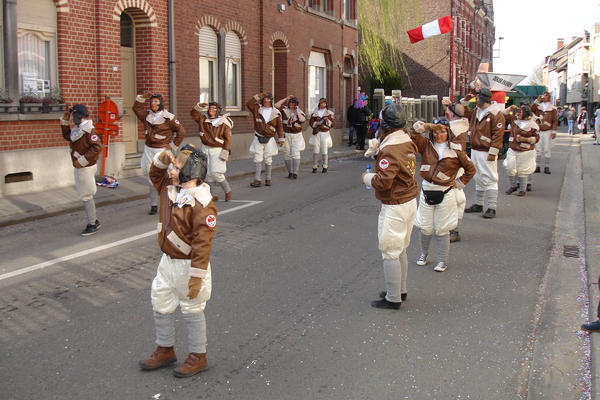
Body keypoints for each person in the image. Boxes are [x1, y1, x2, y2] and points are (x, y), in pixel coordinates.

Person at [139, 144, 217, 378]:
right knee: (160, 301)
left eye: (176, 167)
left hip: (188, 264)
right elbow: (155, 173)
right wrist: (162, 159)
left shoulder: (203, 206)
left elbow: (202, 246)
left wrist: (196, 279)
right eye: (172, 167)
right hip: (167, 262)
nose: (171, 171)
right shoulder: (168, 189)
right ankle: (165, 348)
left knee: (193, 308)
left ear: (191, 171)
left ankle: (198, 355)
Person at [362, 103, 419, 309]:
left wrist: (367, 178)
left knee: (390, 250)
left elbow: (384, 181)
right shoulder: (407, 142)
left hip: (395, 203)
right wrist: (378, 151)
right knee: (400, 248)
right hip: (409, 200)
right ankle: (400, 290)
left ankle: (393, 298)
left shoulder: (390, 148)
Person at [410, 118, 476, 272]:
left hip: (445, 192)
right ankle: (423, 254)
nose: (439, 135)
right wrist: (427, 126)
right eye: (436, 131)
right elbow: (414, 133)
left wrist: (458, 183)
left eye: (442, 131)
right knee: (424, 227)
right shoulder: (426, 144)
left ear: (448, 132)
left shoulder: (456, 150)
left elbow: (471, 169)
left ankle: (442, 260)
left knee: (442, 229)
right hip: (427, 189)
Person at [133, 92, 186, 215]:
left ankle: (171, 201)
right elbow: (136, 108)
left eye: (156, 101)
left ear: (161, 103)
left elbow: (181, 132)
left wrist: (172, 146)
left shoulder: (169, 118)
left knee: (166, 176)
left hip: (161, 150)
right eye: (151, 101)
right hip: (148, 148)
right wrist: (141, 98)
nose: (153, 104)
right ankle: (153, 205)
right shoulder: (146, 115)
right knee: (150, 175)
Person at [461, 87, 506, 219]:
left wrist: (493, 152)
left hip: (486, 151)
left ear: (483, 98)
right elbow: (464, 114)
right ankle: (478, 203)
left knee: (490, 177)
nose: (475, 101)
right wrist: (465, 101)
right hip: (476, 149)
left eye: (477, 98)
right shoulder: (477, 111)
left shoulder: (496, 114)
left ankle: (492, 207)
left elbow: (498, 135)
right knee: (478, 177)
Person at [60, 104, 102, 236]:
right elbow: (68, 136)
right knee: (85, 193)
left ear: (78, 116)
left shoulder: (89, 130)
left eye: (73, 116)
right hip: (80, 165)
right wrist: (65, 121)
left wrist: (82, 161)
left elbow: (97, 147)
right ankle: (93, 220)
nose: (73, 119)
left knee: (86, 194)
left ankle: (92, 223)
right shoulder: (80, 129)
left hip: (85, 166)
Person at [190, 101, 233, 201]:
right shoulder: (203, 119)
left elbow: (228, 139)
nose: (211, 110)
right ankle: (214, 194)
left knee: (216, 172)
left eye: (214, 108)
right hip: (205, 147)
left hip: (218, 149)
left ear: (218, 110)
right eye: (210, 108)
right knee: (208, 173)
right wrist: (198, 107)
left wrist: (225, 152)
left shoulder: (223, 122)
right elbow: (193, 114)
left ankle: (227, 190)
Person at [441, 100, 471, 242]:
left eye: (448, 111)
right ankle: (449, 227)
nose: (445, 112)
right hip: (450, 166)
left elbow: (456, 151)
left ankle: (454, 230)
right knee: (451, 197)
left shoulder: (456, 129)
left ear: (452, 114)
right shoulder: (457, 125)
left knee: (457, 198)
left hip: (452, 167)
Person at [246, 93, 284, 187]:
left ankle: (268, 178)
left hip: (270, 137)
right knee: (257, 157)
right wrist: (258, 96)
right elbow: (248, 104)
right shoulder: (257, 109)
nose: (266, 101)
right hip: (258, 136)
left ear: (271, 100)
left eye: (268, 99)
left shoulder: (276, 112)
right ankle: (257, 179)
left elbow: (279, 126)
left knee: (268, 157)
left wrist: (281, 138)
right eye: (265, 99)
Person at [502, 104, 540, 196]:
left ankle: (523, 189)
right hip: (513, 149)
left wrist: (525, 140)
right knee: (510, 167)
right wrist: (510, 108)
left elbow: (536, 139)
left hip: (526, 150)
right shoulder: (514, 120)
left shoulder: (533, 125)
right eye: (518, 111)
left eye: (521, 112)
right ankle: (513, 186)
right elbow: (503, 114)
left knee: (523, 170)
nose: (518, 113)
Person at [275, 95, 307, 178]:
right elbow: (276, 105)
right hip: (286, 134)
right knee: (287, 153)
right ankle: (290, 172)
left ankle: (295, 172)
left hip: (296, 135)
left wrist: (297, 110)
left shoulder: (300, 112)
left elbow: (302, 120)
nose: (291, 105)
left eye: (293, 103)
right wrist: (286, 98)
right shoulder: (284, 110)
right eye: (290, 103)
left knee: (296, 153)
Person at [530, 92, 557, 174]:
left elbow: (555, 120)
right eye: (543, 95)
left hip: (547, 130)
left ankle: (546, 166)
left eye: (546, 95)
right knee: (537, 148)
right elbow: (531, 109)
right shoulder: (538, 106)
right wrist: (537, 100)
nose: (544, 97)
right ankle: (537, 166)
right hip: (538, 129)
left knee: (547, 148)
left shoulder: (552, 108)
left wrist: (554, 131)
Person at [309, 98, 335, 173]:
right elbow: (311, 123)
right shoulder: (315, 113)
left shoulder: (329, 113)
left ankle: (325, 166)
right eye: (321, 103)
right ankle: (314, 166)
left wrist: (327, 120)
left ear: (326, 104)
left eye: (324, 103)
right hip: (317, 132)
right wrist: (316, 123)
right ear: (319, 104)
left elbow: (332, 124)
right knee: (316, 149)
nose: (323, 105)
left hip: (325, 132)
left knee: (324, 149)